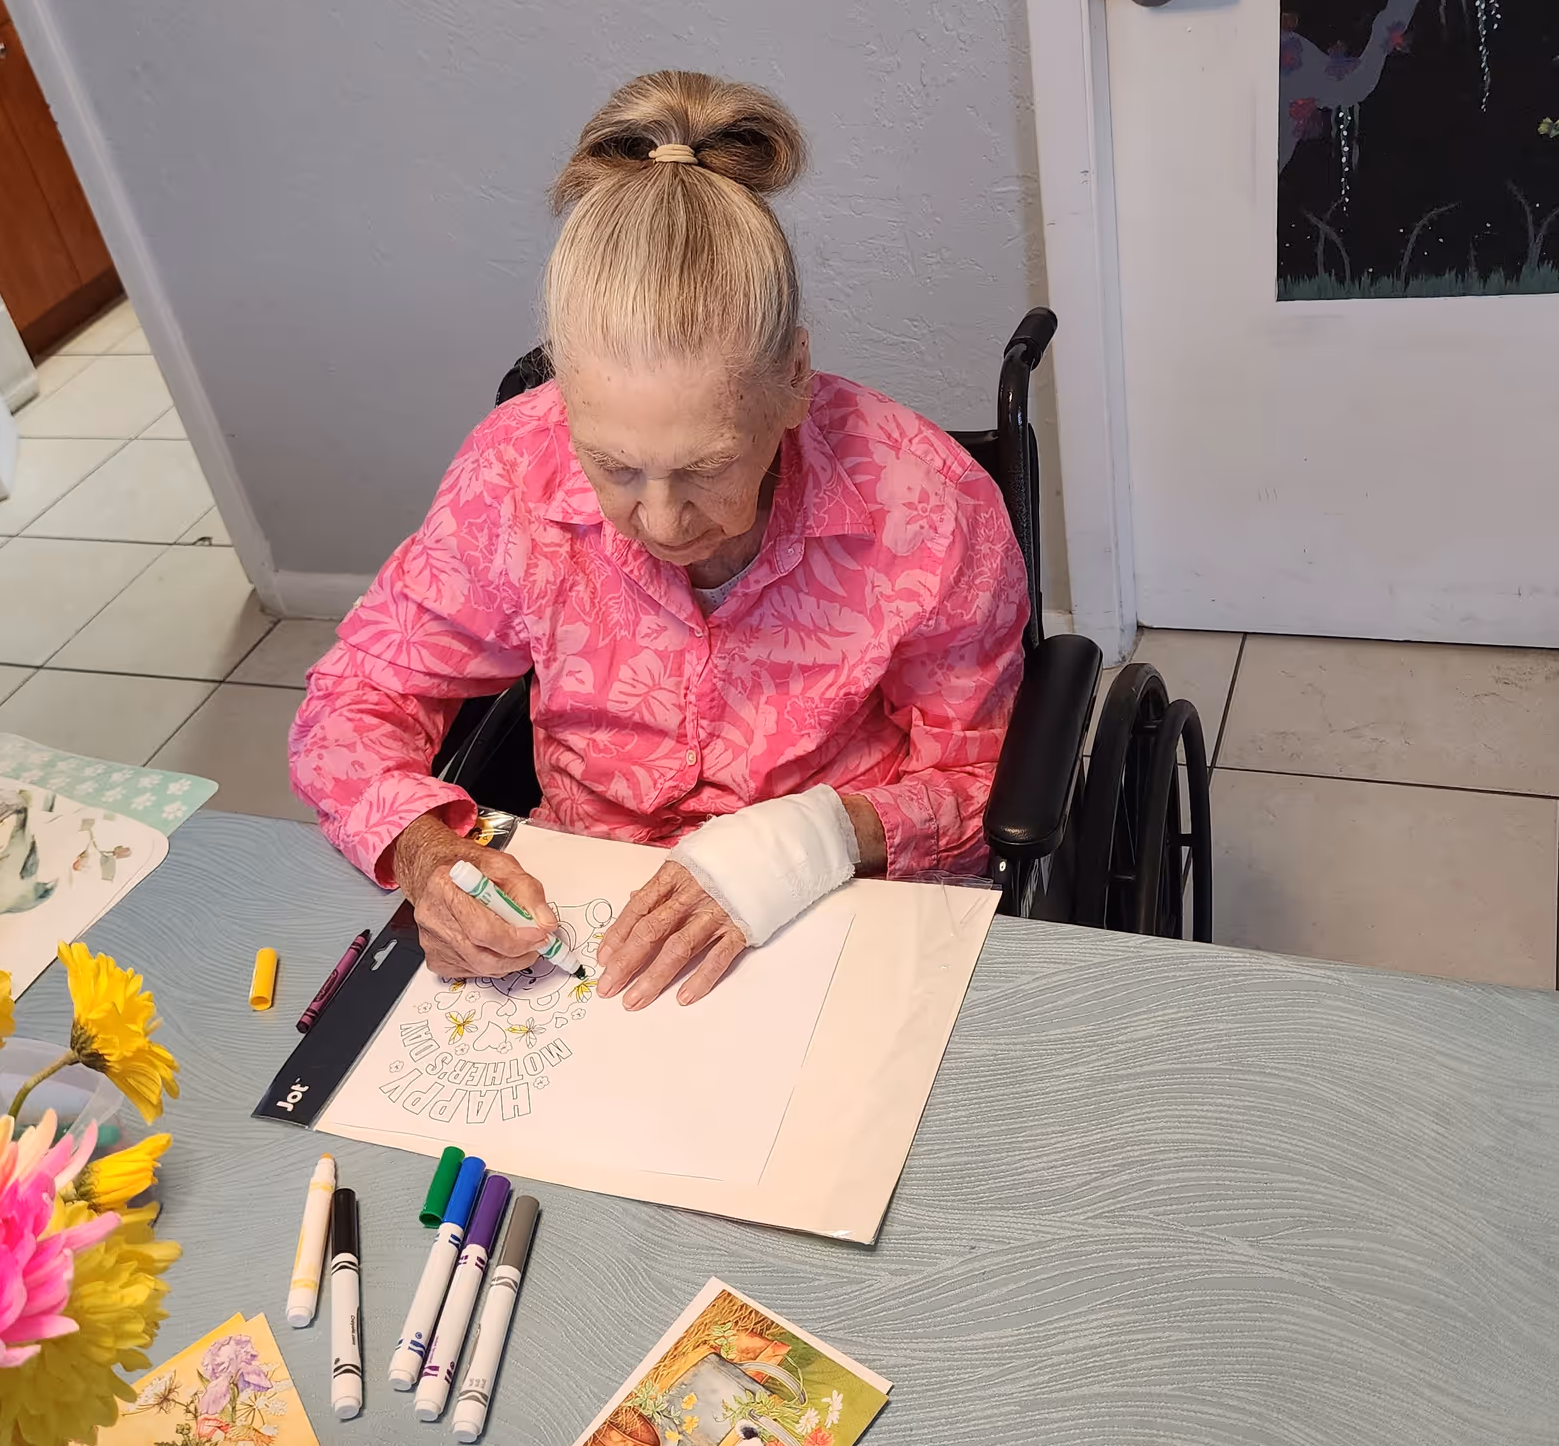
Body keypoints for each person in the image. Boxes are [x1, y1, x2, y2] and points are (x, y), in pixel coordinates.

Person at [289, 71, 1029, 1008]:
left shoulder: (928, 508)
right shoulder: (515, 472)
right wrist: (430, 857)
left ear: (794, 377)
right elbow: (350, 703)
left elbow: (987, 780)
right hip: (585, 912)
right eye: (615, 468)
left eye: (709, 466)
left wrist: (810, 840)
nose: (665, 524)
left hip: (839, 902)